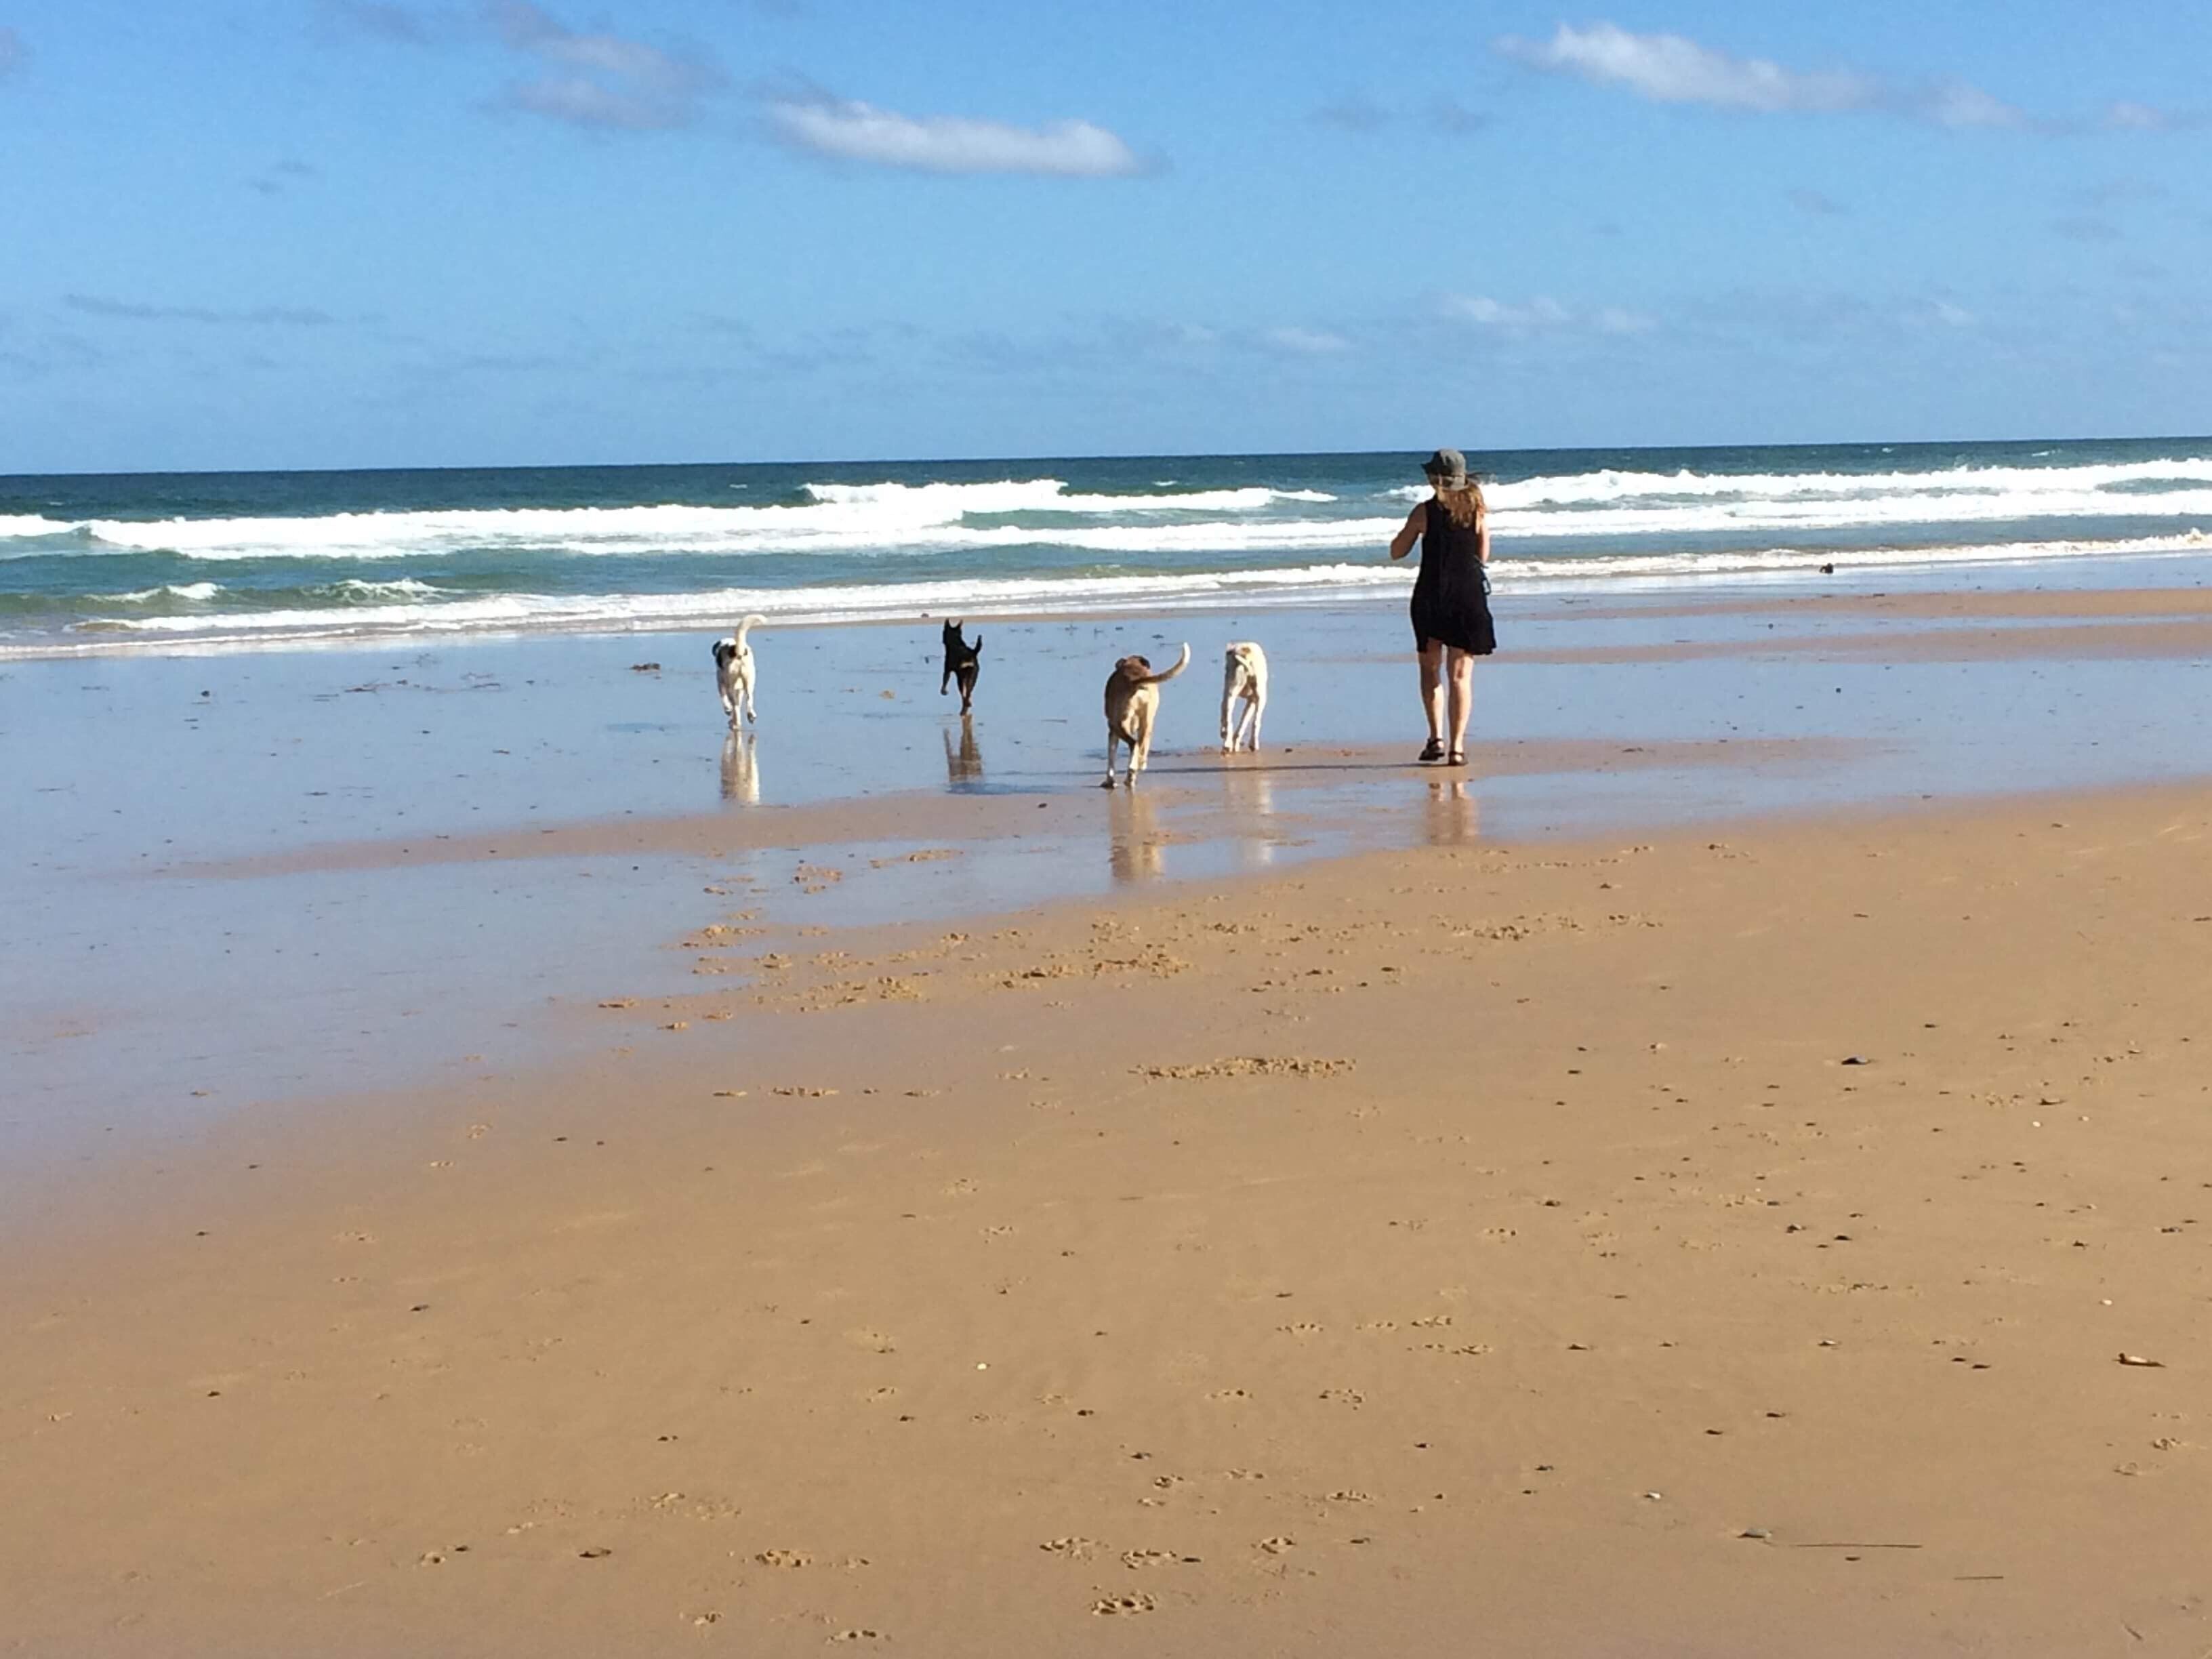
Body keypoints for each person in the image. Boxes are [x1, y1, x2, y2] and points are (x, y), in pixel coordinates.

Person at [1388, 447, 1495, 765]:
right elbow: (1484, 555)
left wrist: (1410, 534)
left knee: (1430, 668)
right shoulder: (1477, 510)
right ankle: (1457, 748)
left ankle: (1436, 737)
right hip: (1467, 595)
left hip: (1431, 595)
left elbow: (1397, 551)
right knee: (1460, 676)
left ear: (1434, 478)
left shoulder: (1424, 512)